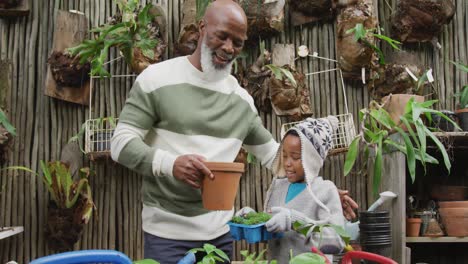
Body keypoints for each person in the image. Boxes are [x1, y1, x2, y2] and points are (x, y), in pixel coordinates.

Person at [110, 0, 357, 262]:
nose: (229, 48)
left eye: (237, 42)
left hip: (220, 237)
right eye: (222, 36)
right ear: (202, 27)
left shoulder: (240, 100)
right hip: (166, 237)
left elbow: (277, 159)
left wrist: (320, 194)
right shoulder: (155, 79)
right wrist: (171, 164)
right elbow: (121, 143)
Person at [236, 116, 346, 263]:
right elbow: (272, 232)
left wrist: (295, 222)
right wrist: (252, 220)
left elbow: (337, 242)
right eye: (284, 155)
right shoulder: (278, 187)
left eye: (295, 157)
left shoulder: (325, 191)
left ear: (312, 159)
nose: (287, 163)